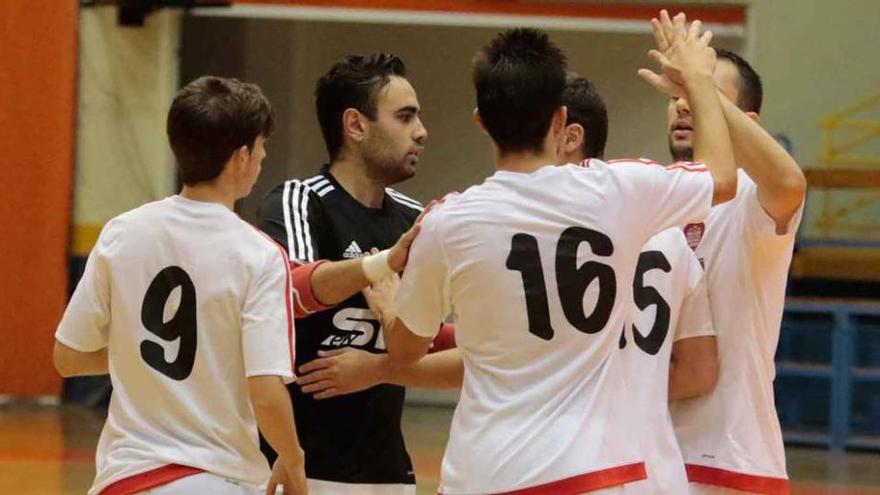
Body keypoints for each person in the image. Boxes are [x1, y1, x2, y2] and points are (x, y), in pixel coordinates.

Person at [385, 22, 738, 494]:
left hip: (486, 473)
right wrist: (696, 78)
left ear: (481, 121)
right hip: (593, 473)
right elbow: (723, 178)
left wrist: (389, 304)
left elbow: (405, 352)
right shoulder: (617, 190)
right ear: (560, 120)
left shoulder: (446, 222)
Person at [52, 76, 306, 495]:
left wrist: (137, 356)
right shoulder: (257, 255)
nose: (262, 159)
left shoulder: (121, 232)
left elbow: (68, 357)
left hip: (124, 479)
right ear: (242, 157)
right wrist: (292, 456)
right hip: (216, 478)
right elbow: (265, 390)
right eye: (261, 148)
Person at [257, 53, 452, 495]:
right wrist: (379, 265)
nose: (421, 132)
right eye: (405, 117)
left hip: (388, 474)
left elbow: (425, 338)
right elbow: (295, 290)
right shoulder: (299, 201)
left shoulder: (415, 218)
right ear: (356, 126)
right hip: (298, 470)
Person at [646, 12, 807, 495]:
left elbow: (789, 182)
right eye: (676, 92)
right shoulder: (654, 200)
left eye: (696, 93)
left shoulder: (752, 198)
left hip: (731, 460)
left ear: (747, 124)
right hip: (650, 453)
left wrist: (702, 87)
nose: (681, 104)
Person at [558, 74, 720, 495]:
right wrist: (637, 390)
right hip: (657, 471)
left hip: (573, 465)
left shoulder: (540, 230)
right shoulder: (671, 232)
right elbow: (701, 370)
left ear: (569, 136)